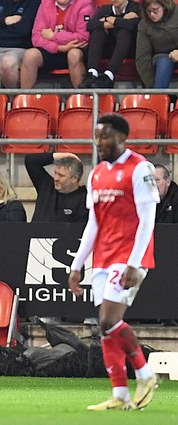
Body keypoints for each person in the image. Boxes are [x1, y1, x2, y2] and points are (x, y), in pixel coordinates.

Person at [68, 113, 160, 411]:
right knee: (104, 327)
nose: (99, 142)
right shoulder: (96, 173)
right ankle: (119, 395)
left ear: (121, 137)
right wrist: (77, 265)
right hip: (103, 256)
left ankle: (145, 374)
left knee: (109, 319)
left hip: (130, 254)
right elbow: (93, 224)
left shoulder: (140, 168)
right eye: (97, 136)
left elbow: (148, 220)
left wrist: (135, 263)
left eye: (104, 136)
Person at [20, 0, 94, 88]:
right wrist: (58, 47)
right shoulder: (45, 4)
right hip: (53, 49)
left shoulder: (84, 4)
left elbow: (83, 36)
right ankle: (24, 99)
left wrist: (53, 36)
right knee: (30, 55)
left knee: (74, 55)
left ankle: (81, 99)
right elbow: (36, 37)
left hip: (75, 48)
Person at [79, 0, 140, 89]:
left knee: (125, 32)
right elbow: (90, 25)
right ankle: (92, 73)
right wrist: (118, 21)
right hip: (108, 48)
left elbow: (132, 25)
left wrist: (109, 19)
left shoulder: (135, 7)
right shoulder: (105, 9)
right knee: (97, 31)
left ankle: (109, 75)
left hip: (128, 48)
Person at [25, 152, 88, 222]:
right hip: (35, 232)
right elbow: (30, 160)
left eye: (61, 175)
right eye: (55, 173)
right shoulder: (46, 185)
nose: (56, 178)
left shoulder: (84, 199)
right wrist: (62, 155)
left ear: (74, 178)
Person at [135, 0, 178, 88]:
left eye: (155, 10)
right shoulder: (144, 24)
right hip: (163, 58)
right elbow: (142, 57)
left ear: (164, 7)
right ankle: (158, 97)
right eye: (148, 11)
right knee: (164, 61)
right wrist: (151, 87)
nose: (152, 15)